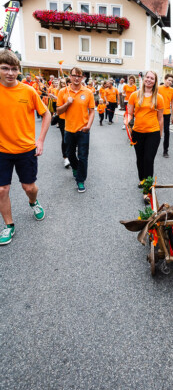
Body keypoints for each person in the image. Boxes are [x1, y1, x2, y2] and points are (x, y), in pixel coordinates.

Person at [0, 50, 51, 245]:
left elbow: (46, 114)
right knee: (2, 190)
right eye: (5, 68)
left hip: (25, 150)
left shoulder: (28, 91)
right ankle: (9, 226)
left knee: (28, 187)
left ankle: (33, 202)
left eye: (14, 69)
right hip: (2, 151)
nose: (10, 73)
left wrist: (40, 140)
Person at [125, 71, 164, 204]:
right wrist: (127, 121)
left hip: (153, 132)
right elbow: (129, 114)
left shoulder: (158, 97)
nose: (149, 80)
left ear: (155, 81)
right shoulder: (134, 95)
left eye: (152, 78)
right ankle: (142, 180)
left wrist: (160, 135)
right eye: (147, 77)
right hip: (137, 132)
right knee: (140, 159)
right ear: (144, 79)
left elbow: (160, 119)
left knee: (148, 159)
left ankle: (148, 191)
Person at [57, 67, 95, 193]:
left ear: (82, 77)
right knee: (70, 154)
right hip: (69, 129)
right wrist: (67, 104)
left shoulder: (88, 92)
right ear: (70, 76)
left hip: (83, 129)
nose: (77, 78)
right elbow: (58, 111)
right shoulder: (63, 91)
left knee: (83, 156)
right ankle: (76, 167)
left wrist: (88, 125)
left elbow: (92, 111)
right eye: (74, 75)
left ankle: (80, 180)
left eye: (79, 76)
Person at [158, 73, 173, 157]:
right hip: (158, 113)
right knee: (156, 131)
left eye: (172, 81)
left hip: (167, 113)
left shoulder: (172, 90)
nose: (170, 82)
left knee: (167, 132)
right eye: (169, 80)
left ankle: (165, 151)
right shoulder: (158, 88)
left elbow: (172, 103)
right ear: (165, 80)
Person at [56, 78, 70, 168]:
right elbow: (58, 110)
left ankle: (71, 155)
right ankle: (65, 158)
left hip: (74, 119)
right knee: (64, 138)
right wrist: (67, 103)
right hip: (63, 118)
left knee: (73, 140)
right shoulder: (61, 91)